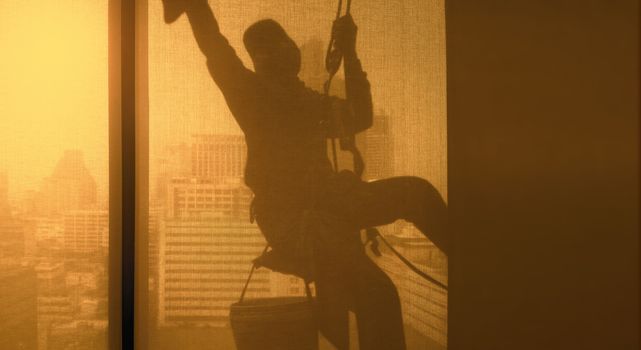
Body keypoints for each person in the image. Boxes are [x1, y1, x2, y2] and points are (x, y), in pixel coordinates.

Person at [162, 1, 448, 349]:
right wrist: (193, 7)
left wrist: (351, 54)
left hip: (326, 203)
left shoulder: (309, 103)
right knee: (378, 292)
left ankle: (476, 259)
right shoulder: (251, 95)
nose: (286, 50)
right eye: (275, 46)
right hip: (299, 218)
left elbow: (359, 117)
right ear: (261, 59)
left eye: (285, 43)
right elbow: (213, 45)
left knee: (411, 205)